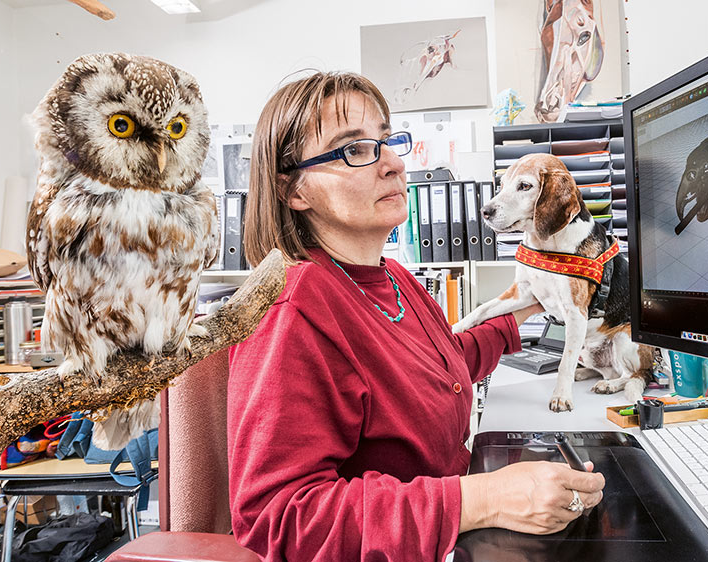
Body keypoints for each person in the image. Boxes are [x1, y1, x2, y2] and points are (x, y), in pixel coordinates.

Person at [227, 71, 605, 562]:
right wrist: (484, 499)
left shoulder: (394, 278)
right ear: (294, 190)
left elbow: (440, 365)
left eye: (385, 140)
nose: (391, 162)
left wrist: (526, 310)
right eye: (354, 149)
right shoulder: (292, 311)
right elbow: (280, 519)